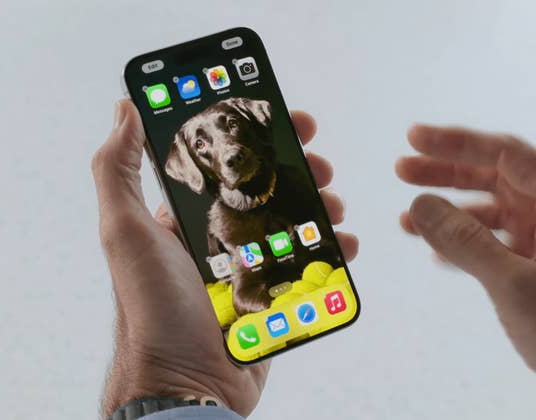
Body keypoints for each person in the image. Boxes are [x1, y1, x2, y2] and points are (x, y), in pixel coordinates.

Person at [91, 100, 536, 420]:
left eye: (231, 125)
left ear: (252, 124)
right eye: (203, 145)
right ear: (195, 167)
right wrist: (174, 379)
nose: (228, 148)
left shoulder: (300, 193)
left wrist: (165, 392)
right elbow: (245, 291)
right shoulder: (223, 229)